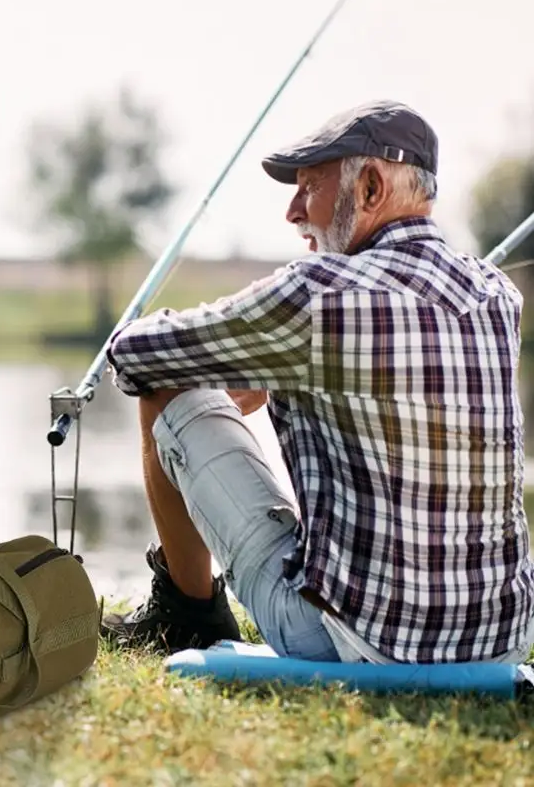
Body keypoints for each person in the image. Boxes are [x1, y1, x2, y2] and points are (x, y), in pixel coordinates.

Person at [101, 100, 534, 664]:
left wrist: (245, 368)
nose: (292, 211)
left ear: (371, 188)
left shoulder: (318, 293)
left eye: (308, 187)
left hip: (355, 643)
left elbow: (136, 355)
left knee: (169, 384)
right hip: (497, 647)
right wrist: (277, 375)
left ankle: (186, 615)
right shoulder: (498, 294)